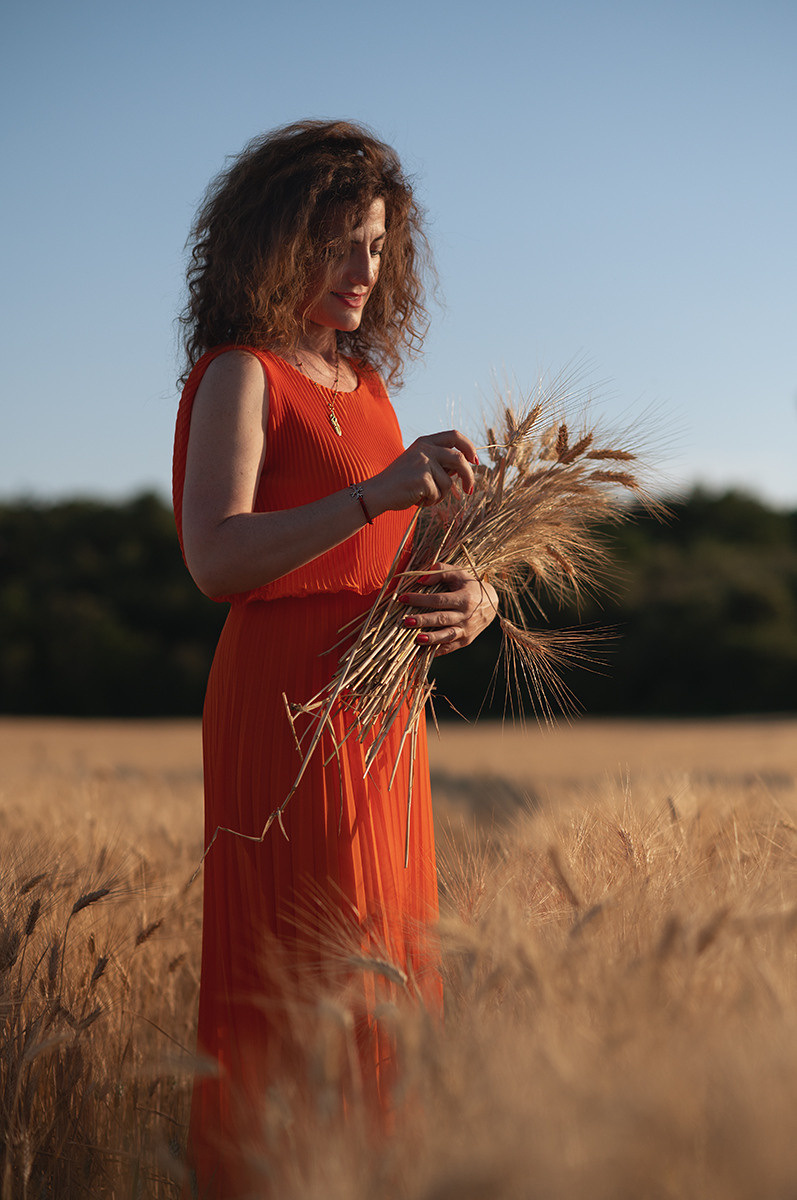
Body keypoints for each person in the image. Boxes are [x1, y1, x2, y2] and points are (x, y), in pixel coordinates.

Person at [173, 119, 497, 1196]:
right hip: (284, 703)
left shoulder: (365, 385)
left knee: (387, 961)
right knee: (300, 965)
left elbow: (396, 551)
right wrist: (371, 491)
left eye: (376, 244)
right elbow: (216, 555)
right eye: (338, 241)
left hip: (378, 706)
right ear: (275, 240)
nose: (363, 268)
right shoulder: (241, 372)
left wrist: (477, 598)